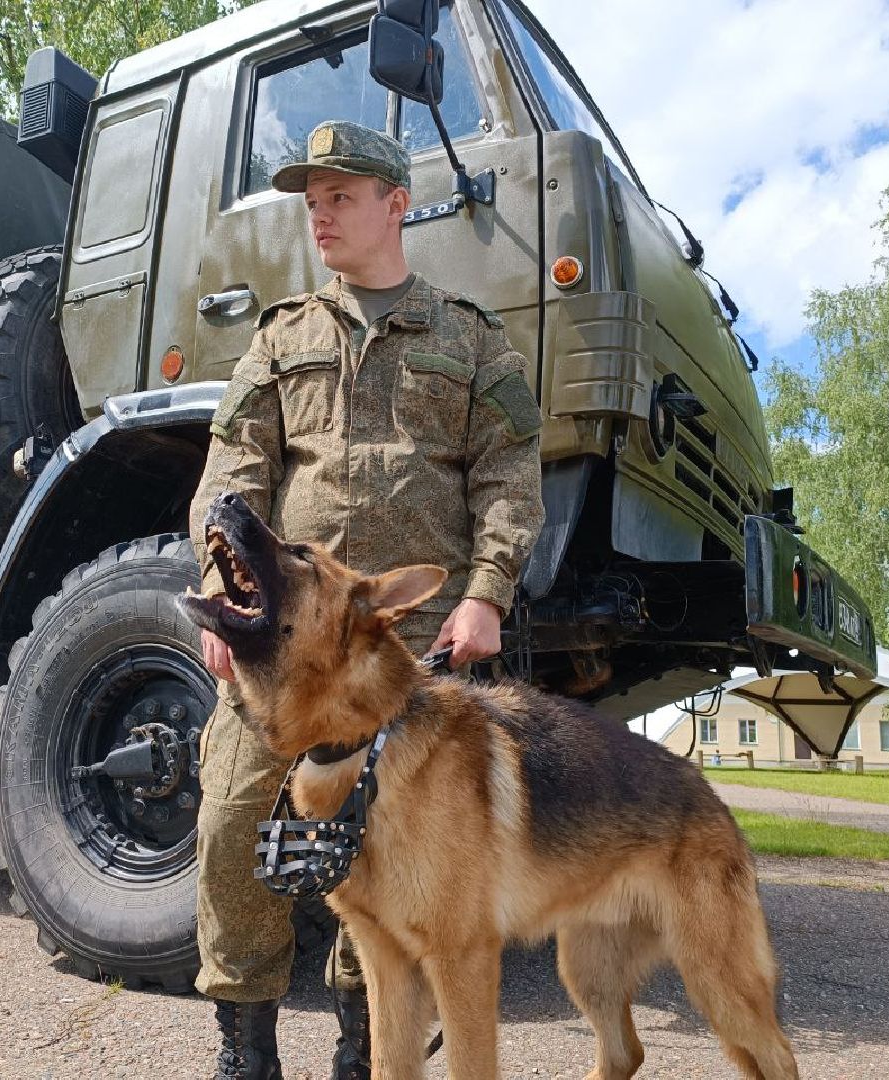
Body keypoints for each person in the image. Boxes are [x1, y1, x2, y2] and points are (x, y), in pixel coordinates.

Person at [187, 120, 545, 1080]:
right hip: (285, 650)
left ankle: (366, 1047)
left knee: (396, 849)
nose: (320, 214)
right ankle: (245, 1049)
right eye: (312, 200)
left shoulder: (471, 338)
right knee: (233, 823)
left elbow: (510, 476)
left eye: (340, 196)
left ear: (396, 204)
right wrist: (224, 588)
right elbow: (233, 471)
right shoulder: (281, 337)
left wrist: (487, 593)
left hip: (408, 657)